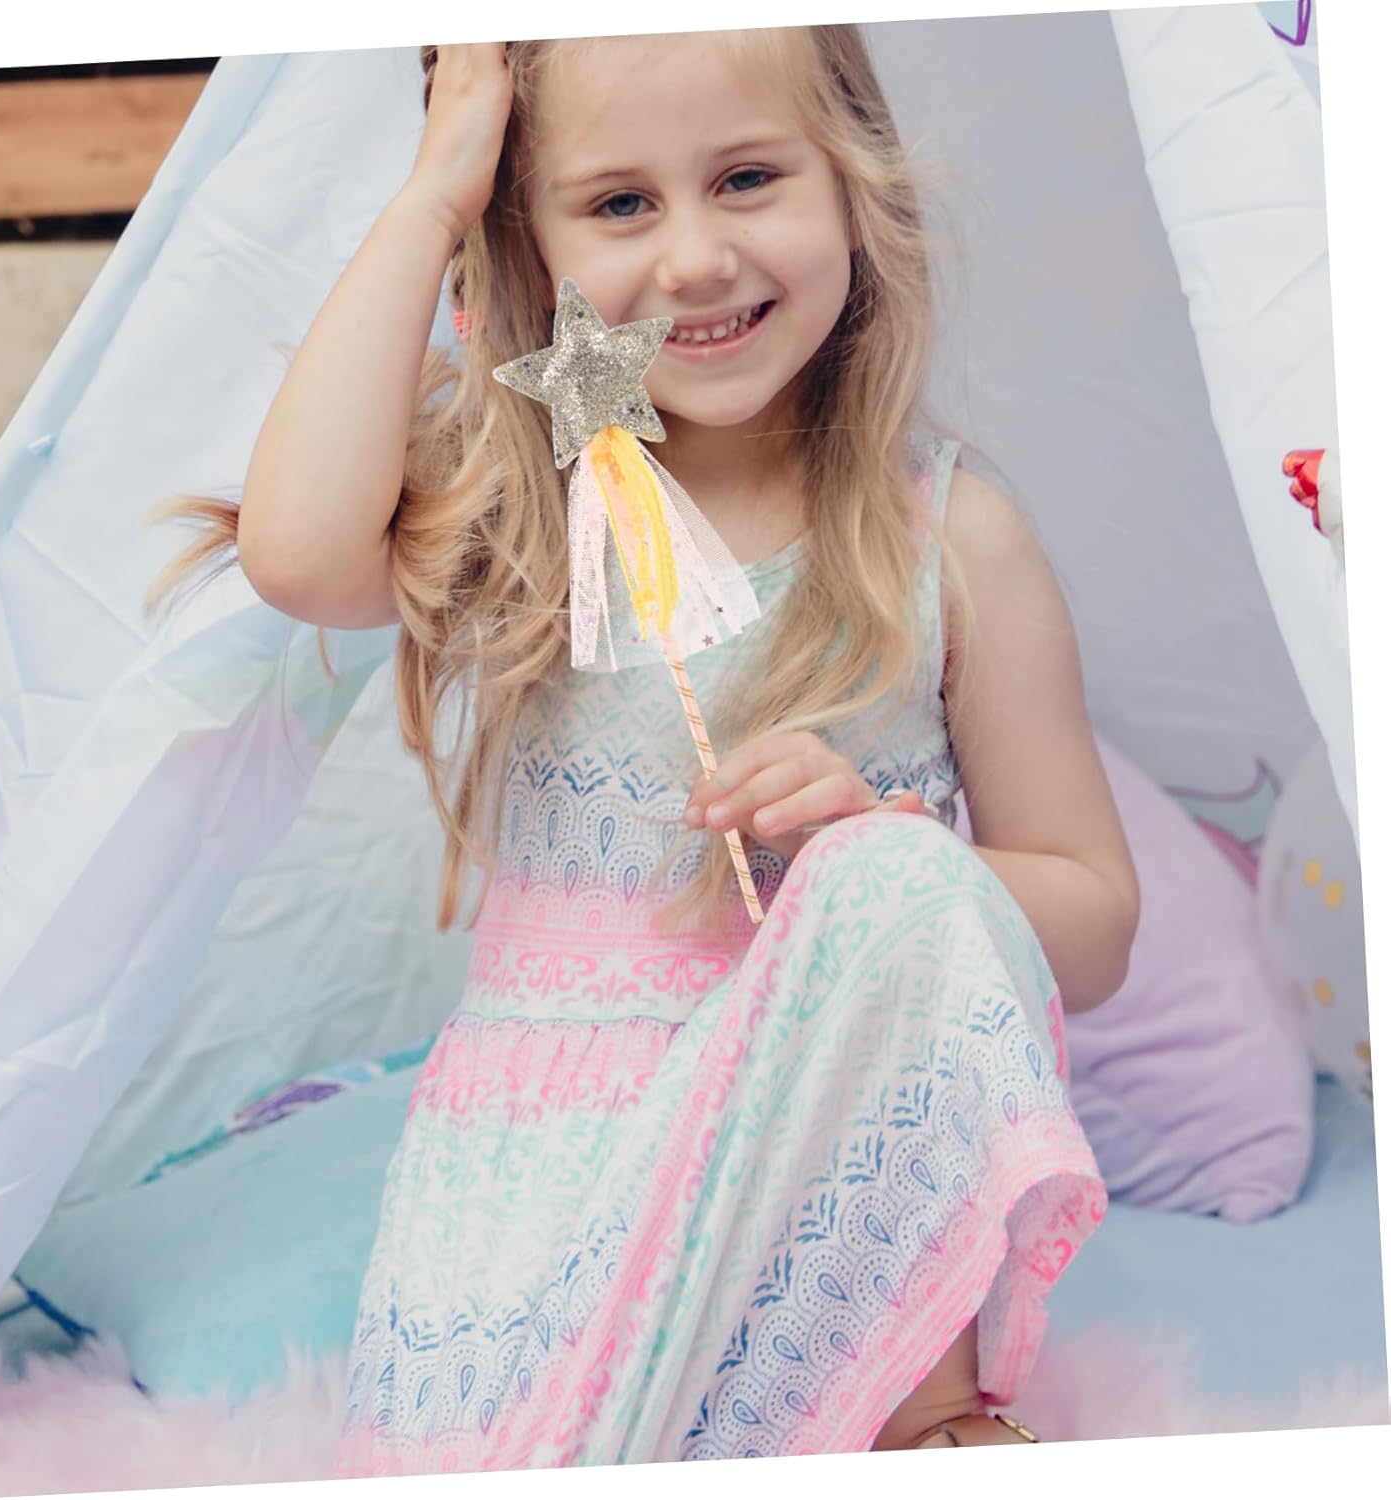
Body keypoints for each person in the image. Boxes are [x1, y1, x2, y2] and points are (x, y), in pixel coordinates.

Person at [170, 25, 1138, 1474]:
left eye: (747, 178)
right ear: (532, 242)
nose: (694, 258)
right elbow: (300, 555)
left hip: (808, 1186)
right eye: (620, 203)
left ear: (853, 184)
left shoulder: (950, 538)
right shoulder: (537, 502)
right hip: (549, 1187)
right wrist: (437, 194)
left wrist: (884, 844)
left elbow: (1096, 926)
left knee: (898, 885)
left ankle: (919, 1413)